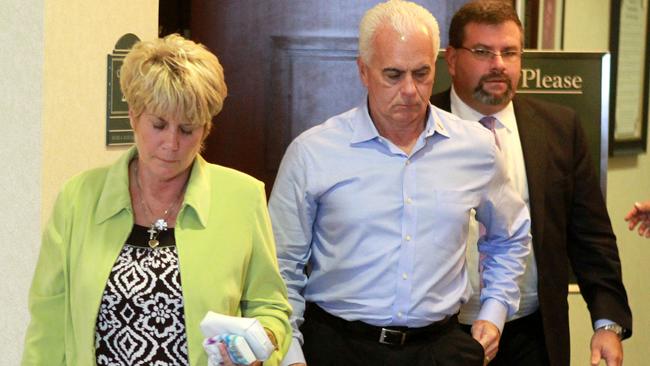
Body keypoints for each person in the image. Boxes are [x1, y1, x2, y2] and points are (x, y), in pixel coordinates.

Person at [268, 1, 531, 365]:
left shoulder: (475, 147)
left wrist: (494, 311)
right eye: (393, 74)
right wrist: (289, 352)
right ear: (363, 70)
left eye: (421, 74)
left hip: (440, 348)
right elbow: (281, 265)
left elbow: (511, 235)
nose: (410, 90)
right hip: (337, 345)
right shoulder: (314, 152)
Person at [22, 34, 291, 366]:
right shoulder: (79, 198)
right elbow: (48, 322)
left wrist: (260, 347)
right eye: (159, 125)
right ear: (134, 116)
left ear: (206, 129)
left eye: (187, 129)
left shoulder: (242, 198)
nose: (171, 143)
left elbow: (270, 307)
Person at [430, 1, 632, 366]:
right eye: (482, 52)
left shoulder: (559, 129)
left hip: (531, 335)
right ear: (452, 59)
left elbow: (591, 236)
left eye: (509, 52)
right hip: (440, 337)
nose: (499, 64)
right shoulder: (420, 129)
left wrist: (608, 322)